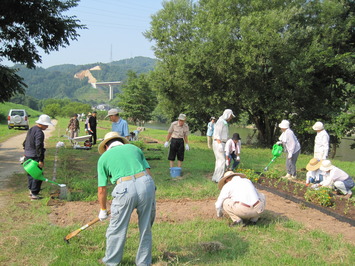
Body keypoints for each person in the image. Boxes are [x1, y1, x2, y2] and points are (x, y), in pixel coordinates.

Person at [97, 132, 156, 265]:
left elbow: (102, 189)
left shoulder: (103, 158)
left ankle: (111, 262)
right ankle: (143, 262)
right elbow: (148, 171)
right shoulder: (135, 148)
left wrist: (103, 209)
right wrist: (152, 189)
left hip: (124, 188)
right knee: (145, 226)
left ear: (106, 145)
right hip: (146, 183)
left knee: (117, 228)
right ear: (121, 142)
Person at [23, 114, 53, 200]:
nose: (47, 127)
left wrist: (25, 151)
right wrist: (40, 160)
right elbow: (38, 146)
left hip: (28, 154)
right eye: (46, 125)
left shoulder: (32, 129)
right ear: (42, 124)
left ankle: (31, 190)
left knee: (30, 173)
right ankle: (34, 194)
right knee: (38, 174)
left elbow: (25, 142)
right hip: (34, 156)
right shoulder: (39, 132)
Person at [212, 109, 235, 183]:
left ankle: (216, 177)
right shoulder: (220, 122)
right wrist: (219, 144)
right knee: (221, 161)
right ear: (227, 115)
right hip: (219, 143)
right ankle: (219, 178)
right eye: (230, 116)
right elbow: (217, 134)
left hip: (222, 143)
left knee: (219, 161)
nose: (230, 118)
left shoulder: (224, 122)